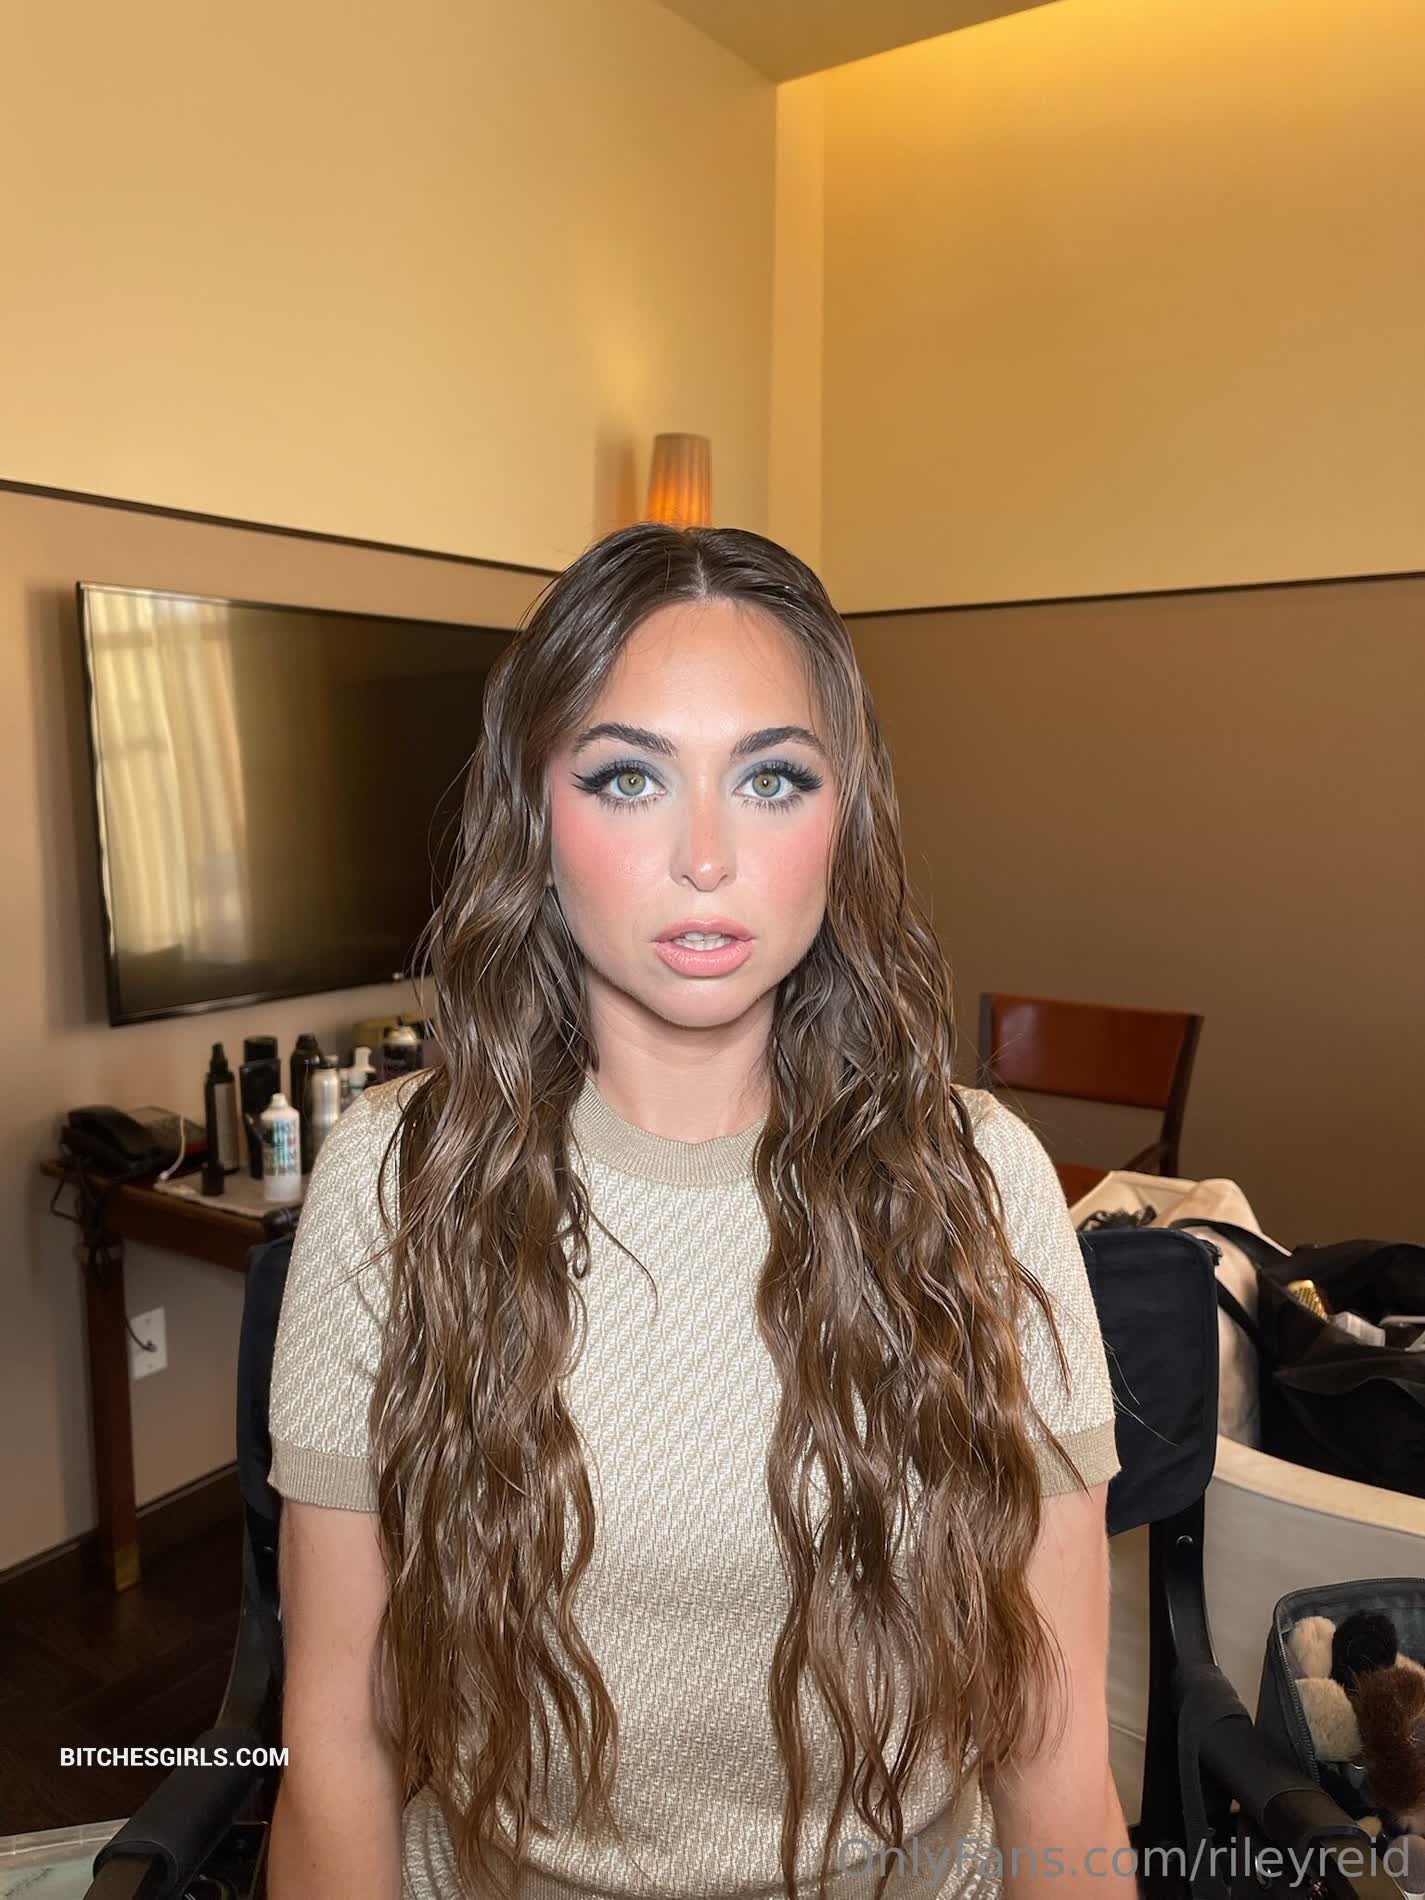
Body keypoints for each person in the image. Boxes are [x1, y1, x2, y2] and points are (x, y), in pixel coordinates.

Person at [265, 523, 1130, 1900]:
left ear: (844, 822)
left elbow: (1056, 1753)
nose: (708, 857)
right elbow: (335, 1746)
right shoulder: (394, 1178)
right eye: (629, 777)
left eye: (772, 779)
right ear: (534, 819)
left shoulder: (981, 1179)